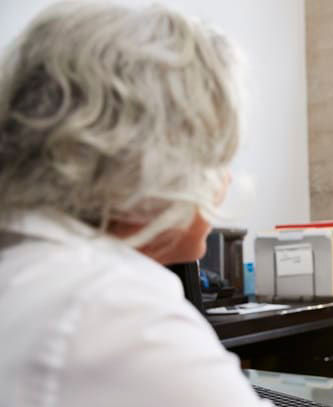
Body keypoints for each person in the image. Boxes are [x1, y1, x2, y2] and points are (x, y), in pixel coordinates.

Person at [0, 3, 272, 406]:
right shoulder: (117, 311)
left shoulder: (29, 264)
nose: (226, 178)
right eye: (218, 152)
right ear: (160, 154)